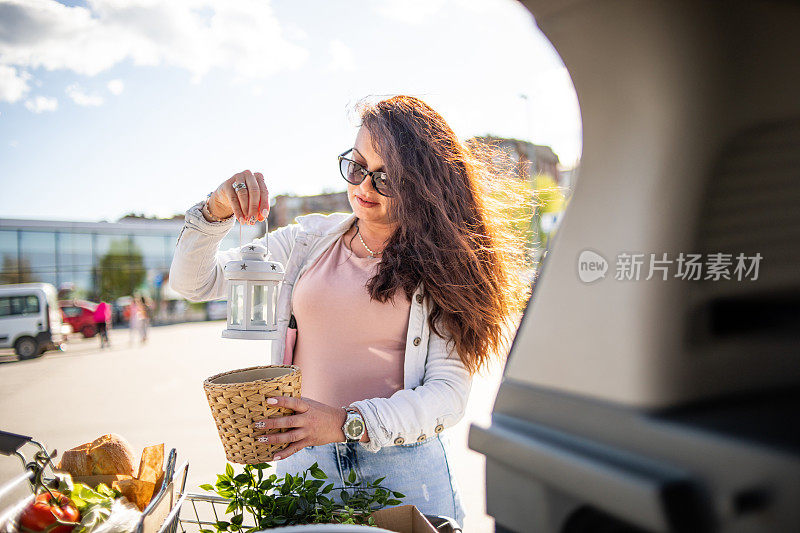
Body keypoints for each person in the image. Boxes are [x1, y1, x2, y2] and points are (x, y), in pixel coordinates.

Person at [169, 95, 529, 526]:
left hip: (405, 473)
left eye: (385, 178)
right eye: (356, 167)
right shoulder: (304, 244)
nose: (362, 187)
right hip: (305, 472)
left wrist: (346, 423)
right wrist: (215, 210)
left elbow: (447, 395)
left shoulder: (446, 267)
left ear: (423, 183)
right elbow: (194, 282)